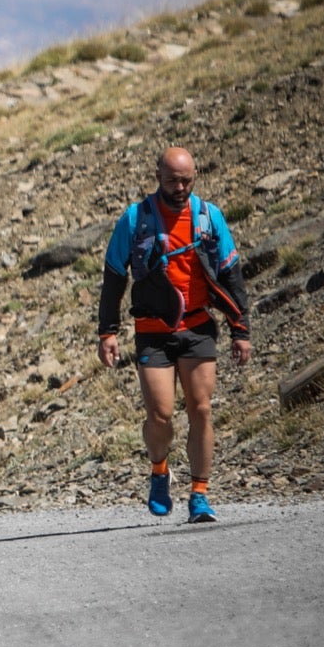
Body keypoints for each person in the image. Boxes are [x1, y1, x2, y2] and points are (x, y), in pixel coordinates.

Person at [97, 146, 252, 523]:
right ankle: (159, 470)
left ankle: (199, 495)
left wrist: (240, 330)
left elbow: (231, 273)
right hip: (153, 330)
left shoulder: (208, 217)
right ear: (157, 177)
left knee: (201, 409)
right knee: (161, 414)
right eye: (172, 181)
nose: (179, 188)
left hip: (197, 326)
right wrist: (108, 332)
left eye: (186, 180)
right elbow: (114, 277)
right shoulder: (135, 220)